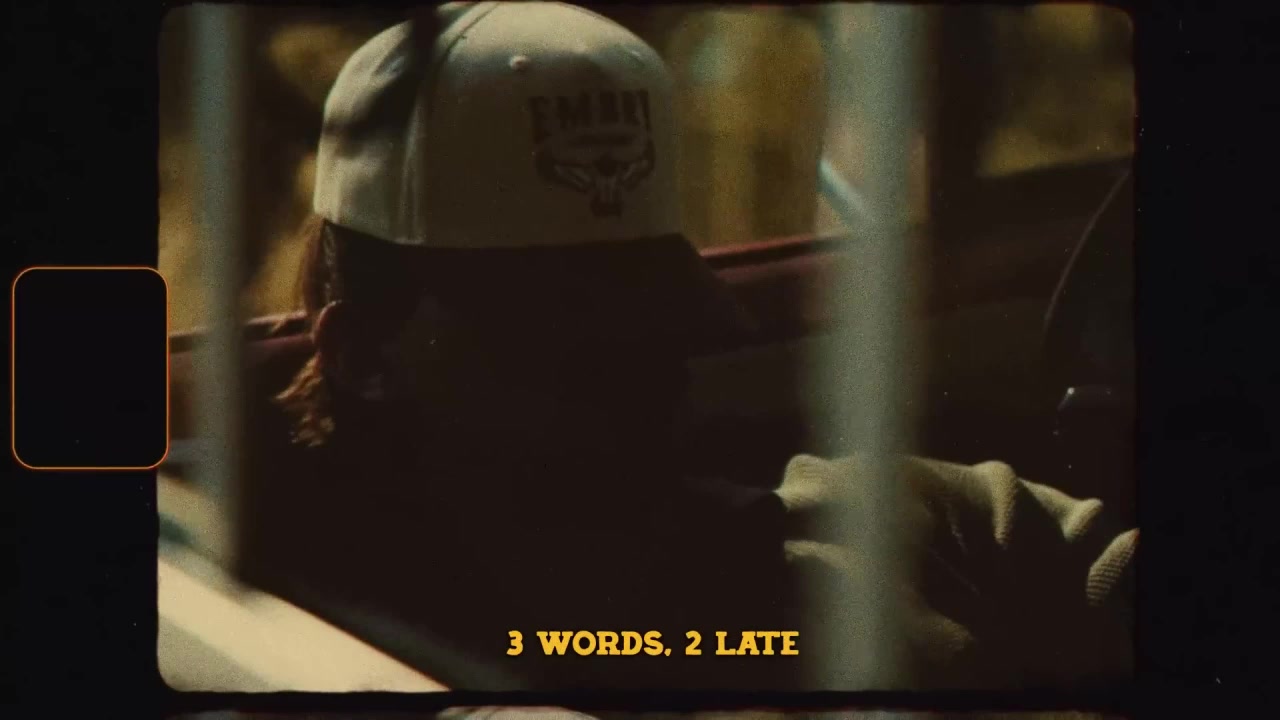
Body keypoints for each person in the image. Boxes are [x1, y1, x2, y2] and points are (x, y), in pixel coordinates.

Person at [261, 1, 1134, 692]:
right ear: (366, 356)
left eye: (653, 323)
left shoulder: (912, 518)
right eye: (566, 349)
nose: (653, 378)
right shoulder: (319, 645)